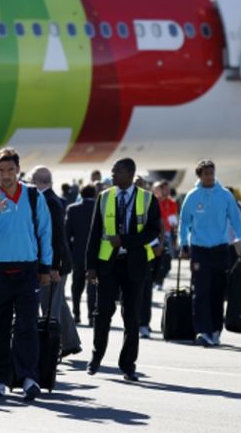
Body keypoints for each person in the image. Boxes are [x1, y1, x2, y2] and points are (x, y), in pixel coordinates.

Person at [0, 147, 52, 400]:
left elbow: (45, 232)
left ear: (18, 170)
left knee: (27, 326)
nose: (5, 175)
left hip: (27, 270)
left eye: (10, 169)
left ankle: (28, 376)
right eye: (1, 169)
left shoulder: (32, 195)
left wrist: (46, 267)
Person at [84, 158, 160, 382]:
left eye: (116, 172)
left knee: (131, 317)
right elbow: (94, 234)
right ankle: (96, 358)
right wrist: (90, 267)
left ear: (130, 174)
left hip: (135, 265)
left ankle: (128, 365)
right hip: (108, 263)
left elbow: (153, 231)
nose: (112, 175)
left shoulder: (148, 199)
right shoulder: (105, 197)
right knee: (102, 313)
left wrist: (125, 240)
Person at [179, 159, 241, 347]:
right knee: (200, 292)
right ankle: (203, 330)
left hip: (220, 249)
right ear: (199, 176)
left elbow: (236, 219)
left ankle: (216, 329)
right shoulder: (192, 196)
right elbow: (184, 222)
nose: (209, 176)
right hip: (199, 250)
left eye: (212, 173)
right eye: (206, 173)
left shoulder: (225, 195)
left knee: (217, 291)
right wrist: (183, 243)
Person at [30, 166, 81, 359]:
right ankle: (70, 342)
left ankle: (52, 351)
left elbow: (56, 237)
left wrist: (53, 267)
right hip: (56, 261)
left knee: (49, 306)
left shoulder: (48, 201)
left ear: (35, 181)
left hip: (53, 263)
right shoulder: (53, 199)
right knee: (58, 303)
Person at [65, 183, 97, 325]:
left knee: (76, 286)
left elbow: (66, 234)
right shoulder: (99, 208)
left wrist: (70, 252)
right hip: (95, 254)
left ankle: (76, 313)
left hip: (78, 254)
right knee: (93, 286)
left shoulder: (72, 209)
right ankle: (91, 315)